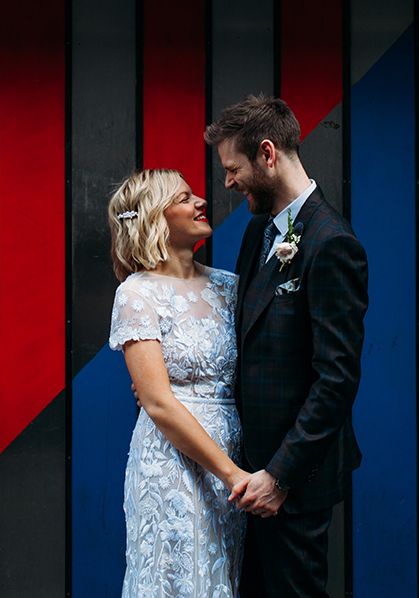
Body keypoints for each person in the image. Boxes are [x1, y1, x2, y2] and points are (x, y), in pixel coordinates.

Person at [204, 95, 369, 597]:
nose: (228, 182)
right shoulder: (258, 232)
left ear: (268, 154)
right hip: (247, 480)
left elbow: (336, 379)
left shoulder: (332, 243)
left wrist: (278, 475)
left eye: (233, 168)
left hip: (292, 483)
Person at [107, 169, 247, 597]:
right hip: (170, 460)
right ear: (155, 218)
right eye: (185, 198)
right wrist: (233, 475)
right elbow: (158, 403)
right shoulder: (137, 293)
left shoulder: (229, 287)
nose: (202, 201)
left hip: (233, 451)